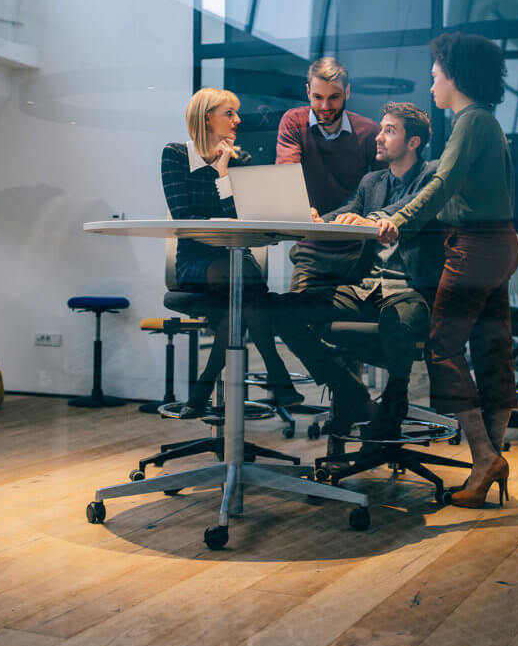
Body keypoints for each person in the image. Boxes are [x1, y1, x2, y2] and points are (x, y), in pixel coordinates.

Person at [376, 33, 518, 509]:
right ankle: (490, 461)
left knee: (442, 347)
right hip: (498, 244)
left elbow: (442, 183)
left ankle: (483, 458)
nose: (431, 83)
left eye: (435, 74)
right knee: (491, 349)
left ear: (454, 76)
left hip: (475, 247)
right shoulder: (488, 122)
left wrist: (397, 220)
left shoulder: (471, 121)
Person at [274, 102, 444, 443]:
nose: (378, 137)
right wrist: (314, 218)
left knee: (396, 320)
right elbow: (346, 212)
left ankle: (394, 403)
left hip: (410, 290)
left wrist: (374, 218)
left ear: (413, 142)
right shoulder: (372, 181)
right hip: (364, 288)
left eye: (389, 131)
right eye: (380, 129)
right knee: (282, 312)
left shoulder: (434, 176)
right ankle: (348, 391)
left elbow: (413, 209)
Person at [160, 88, 302, 418]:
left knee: (236, 308)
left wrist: (224, 172)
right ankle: (276, 373)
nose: (237, 120)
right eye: (229, 113)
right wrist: (223, 221)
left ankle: (200, 394)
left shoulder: (241, 161)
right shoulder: (176, 156)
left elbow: (244, 220)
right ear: (206, 117)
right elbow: (183, 219)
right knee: (249, 286)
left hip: (236, 260)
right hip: (196, 262)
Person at [276, 58, 382, 290]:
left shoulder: (369, 132)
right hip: (311, 248)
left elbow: (383, 189)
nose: (325, 106)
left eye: (333, 97)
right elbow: (287, 173)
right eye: (318, 97)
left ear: (347, 92)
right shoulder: (294, 122)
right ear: (308, 92)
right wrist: (299, 207)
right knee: (294, 316)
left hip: (358, 250)